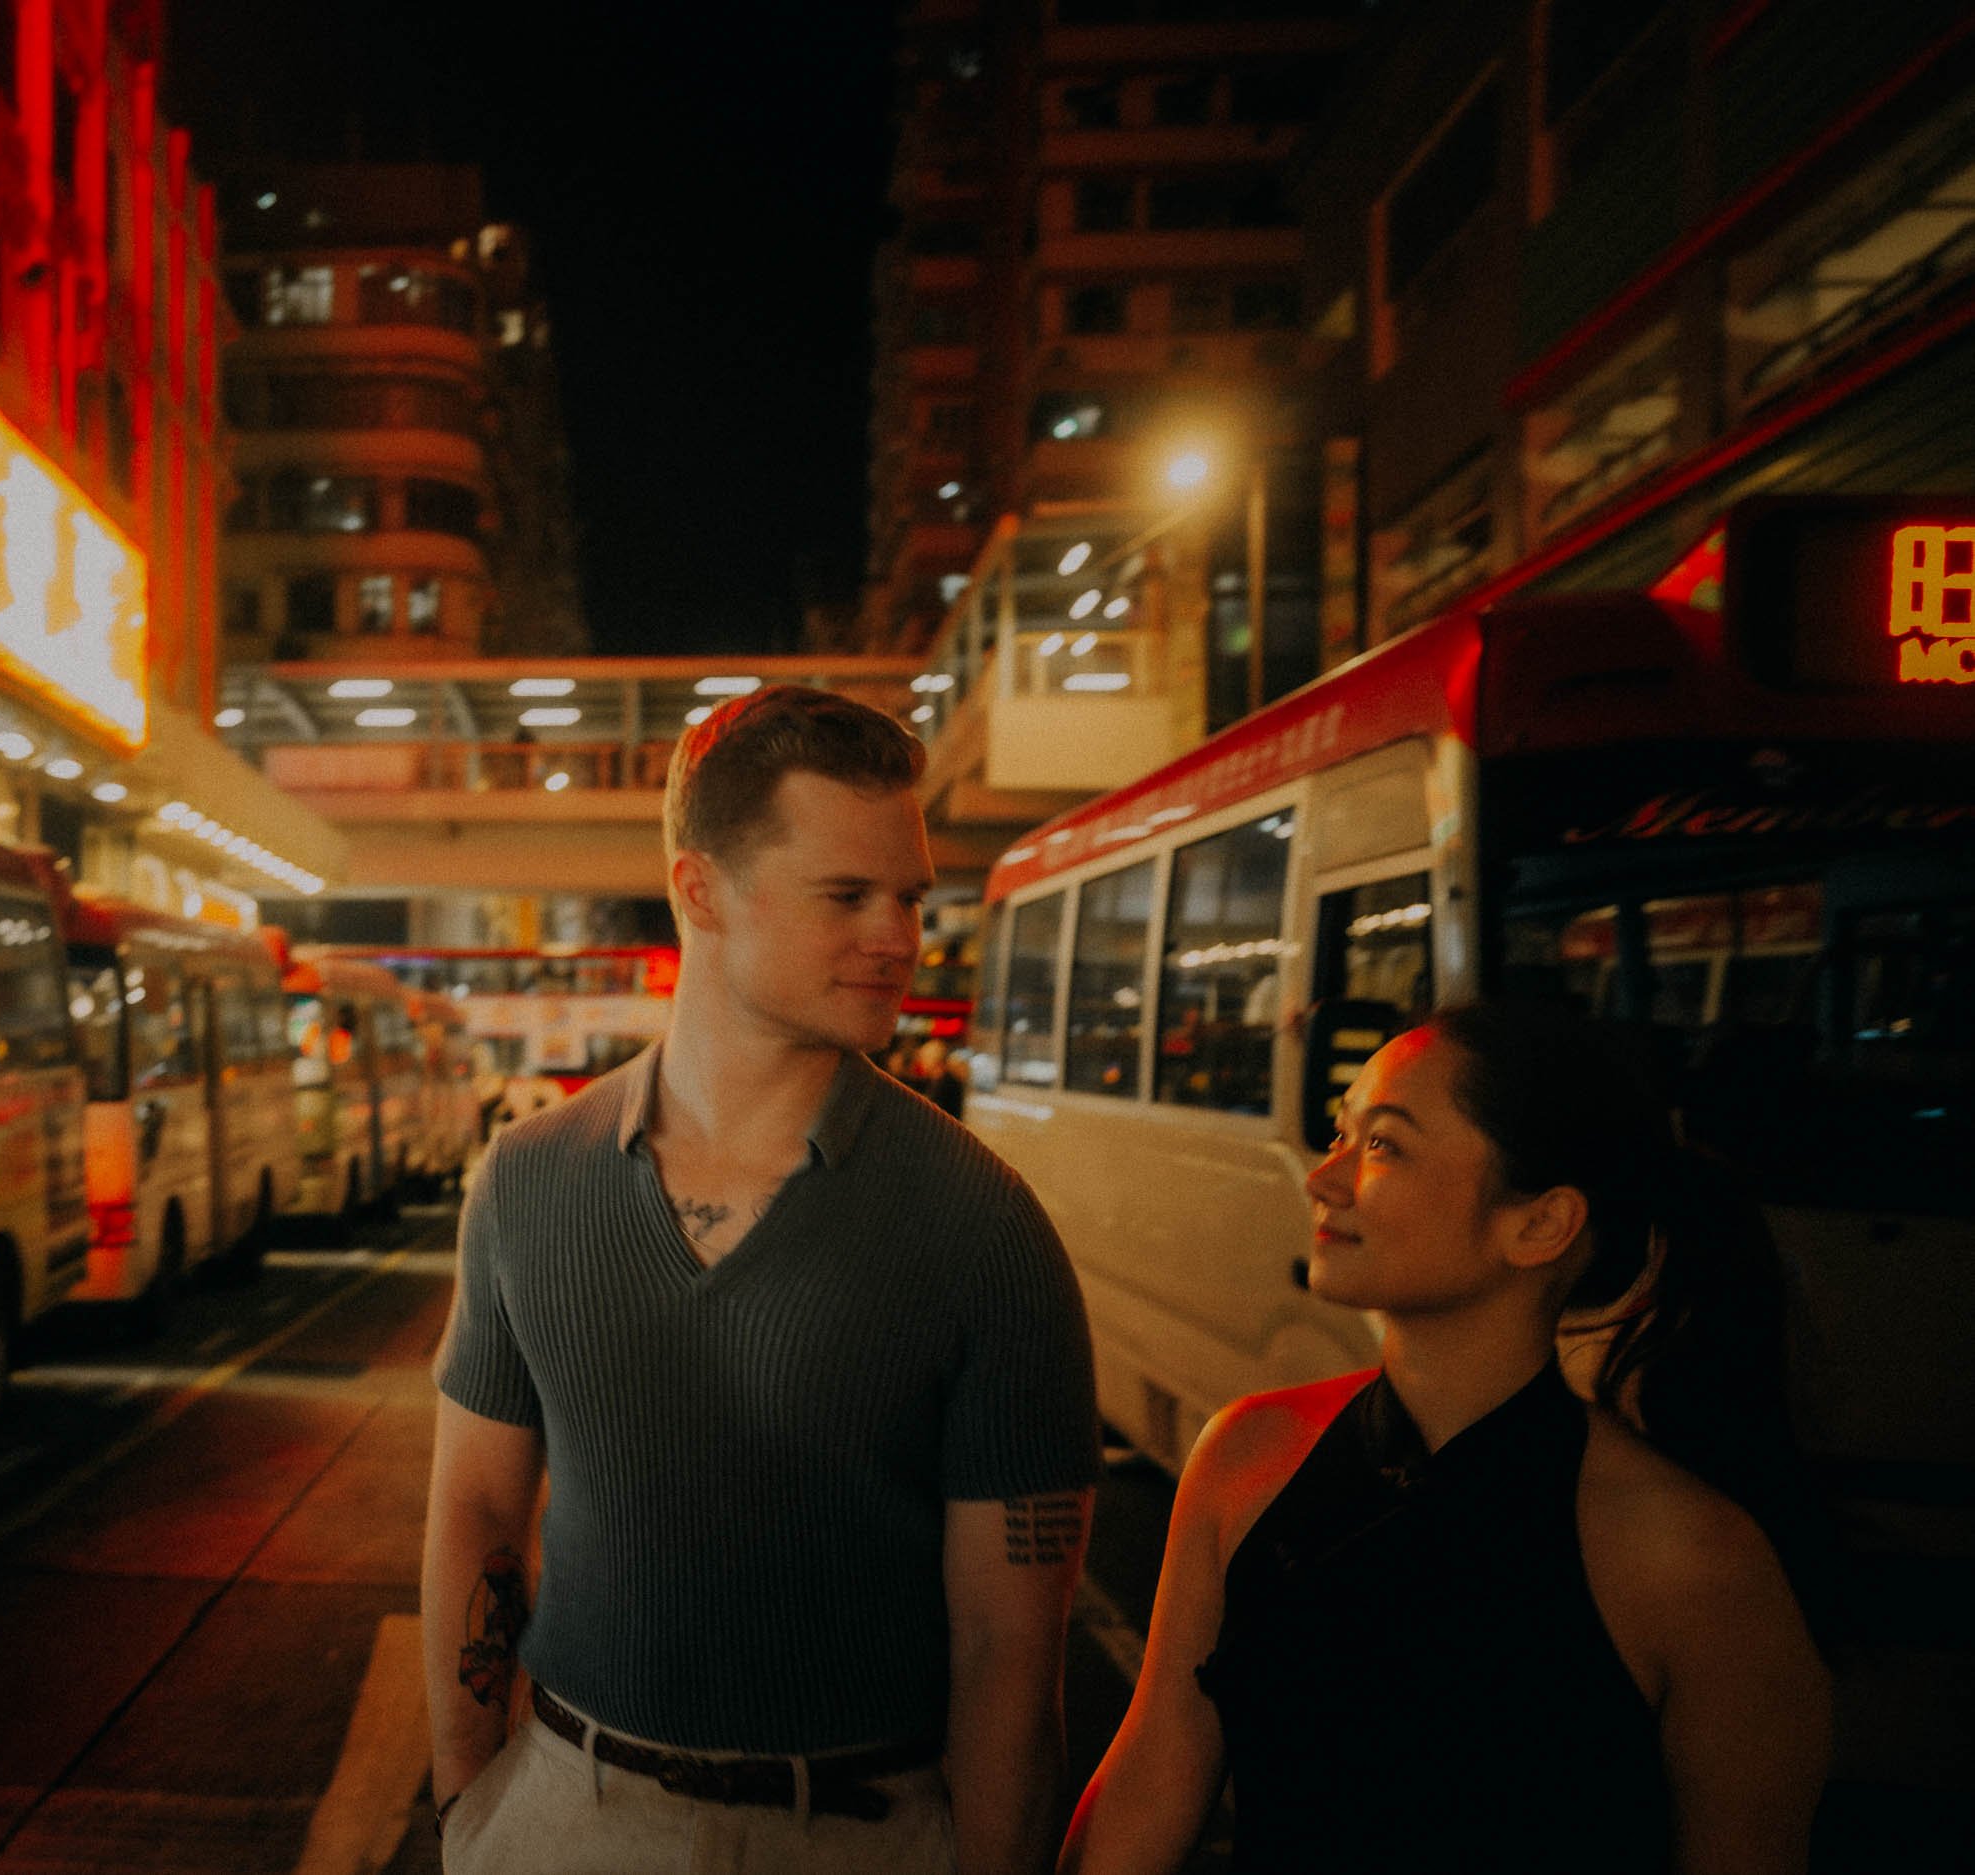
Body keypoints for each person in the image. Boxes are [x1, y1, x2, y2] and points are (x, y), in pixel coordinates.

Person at [423, 685, 1101, 1874]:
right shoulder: (527, 1181)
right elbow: (477, 1507)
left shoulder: (982, 1228)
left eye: (910, 898)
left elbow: (1010, 1651)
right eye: (847, 896)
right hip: (564, 1813)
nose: (899, 937)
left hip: (861, 1834)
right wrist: (467, 1811)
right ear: (700, 891)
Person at [1061, 1002, 1829, 1875]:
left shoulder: (1691, 1558)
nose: (1325, 1177)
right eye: (1341, 1133)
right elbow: (1155, 1772)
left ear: (1540, 1224)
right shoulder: (1247, 1457)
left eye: (1383, 1144)